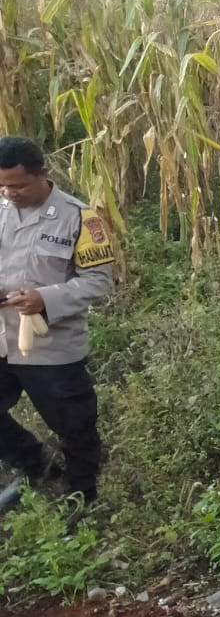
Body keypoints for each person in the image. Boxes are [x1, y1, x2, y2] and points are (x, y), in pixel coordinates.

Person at [0, 136, 113, 508]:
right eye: (2, 185)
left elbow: (98, 281)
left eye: (17, 185)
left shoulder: (80, 218)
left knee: (74, 426)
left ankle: (81, 495)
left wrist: (44, 299)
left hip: (51, 348)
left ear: (42, 174)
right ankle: (34, 465)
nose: (9, 193)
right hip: (3, 337)